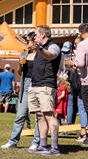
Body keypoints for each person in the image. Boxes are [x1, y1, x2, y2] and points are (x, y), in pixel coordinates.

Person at [1, 32, 40, 150]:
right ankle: (13, 141)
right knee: (20, 114)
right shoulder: (24, 54)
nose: (27, 43)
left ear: (35, 42)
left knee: (39, 116)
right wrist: (20, 63)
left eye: (28, 41)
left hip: (38, 84)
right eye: (26, 41)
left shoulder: (41, 55)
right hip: (26, 84)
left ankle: (36, 142)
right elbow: (19, 72)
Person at [28, 25, 62, 156]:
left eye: (36, 34)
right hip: (35, 85)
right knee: (40, 115)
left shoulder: (53, 46)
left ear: (43, 35)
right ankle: (43, 145)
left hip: (46, 85)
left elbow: (51, 55)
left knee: (49, 115)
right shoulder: (38, 49)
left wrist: (40, 48)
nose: (34, 36)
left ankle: (55, 148)